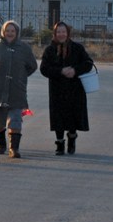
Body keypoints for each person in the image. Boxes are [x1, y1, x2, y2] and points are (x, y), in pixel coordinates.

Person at [0, 19, 38, 158]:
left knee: (15, 119)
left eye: (13, 31)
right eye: (7, 31)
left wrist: (20, 75)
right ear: (3, 32)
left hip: (16, 90)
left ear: (17, 32)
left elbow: (32, 66)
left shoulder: (24, 48)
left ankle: (14, 148)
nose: (10, 33)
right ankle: (1, 145)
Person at [39, 21, 94, 155]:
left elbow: (88, 63)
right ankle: (59, 143)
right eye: (58, 32)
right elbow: (44, 69)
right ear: (55, 34)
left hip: (75, 89)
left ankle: (72, 139)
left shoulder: (77, 48)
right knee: (58, 117)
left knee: (73, 116)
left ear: (68, 33)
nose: (61, 34)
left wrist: (75, 70)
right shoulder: (50, 50)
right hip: (57, 90)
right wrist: (60, 71)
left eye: (63, 32)